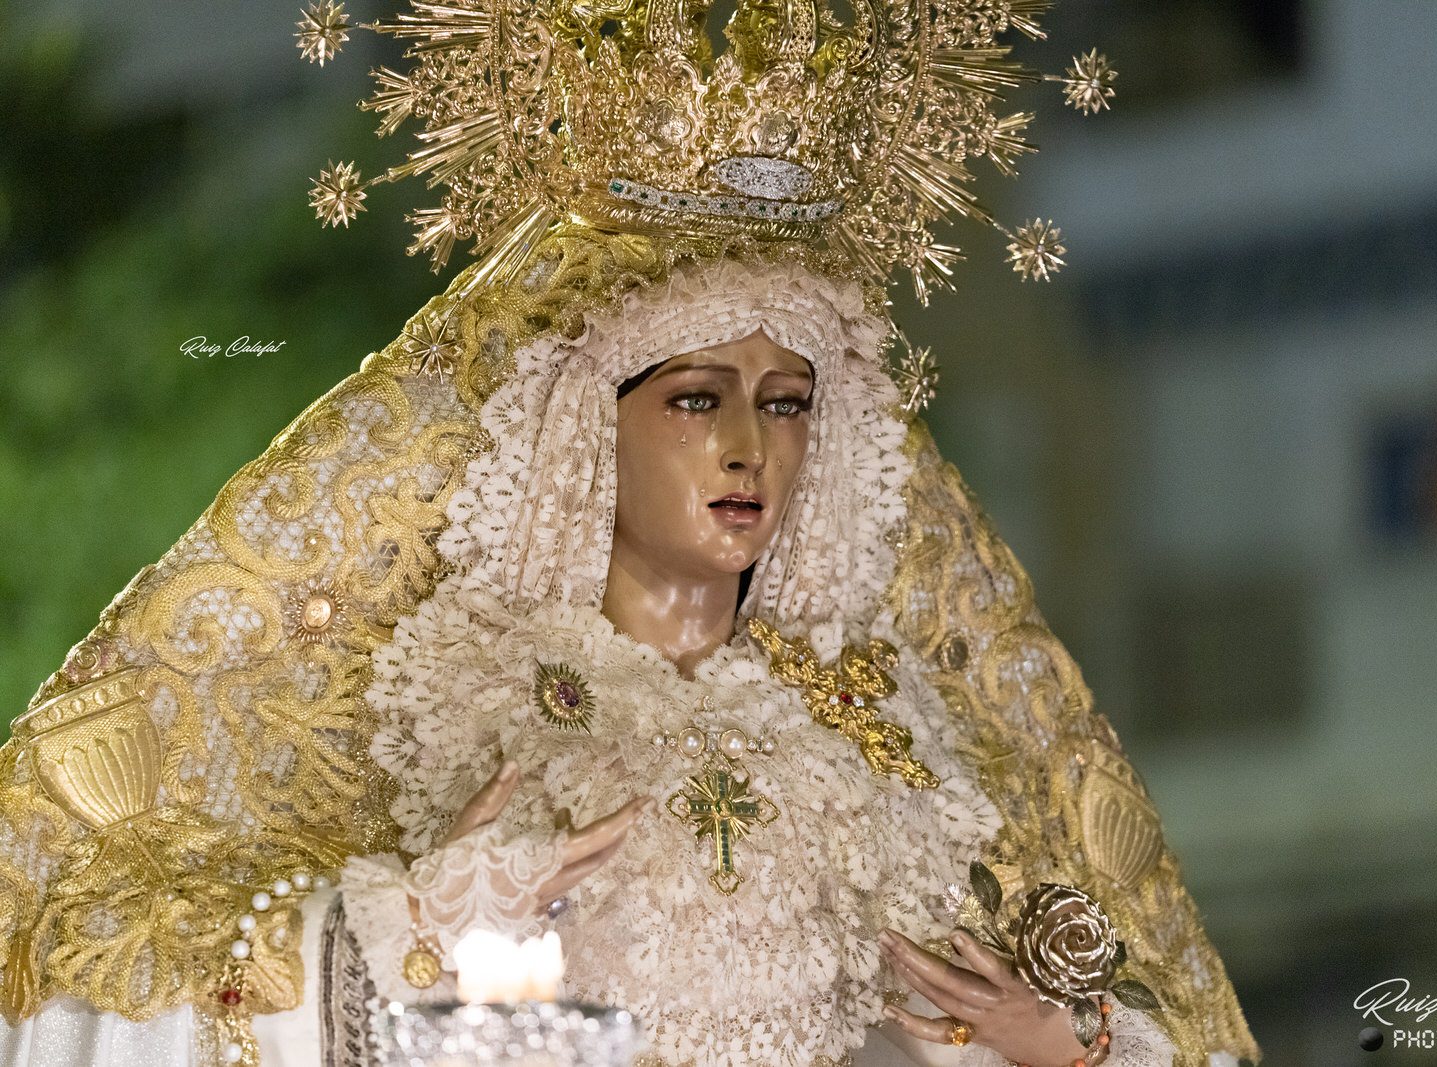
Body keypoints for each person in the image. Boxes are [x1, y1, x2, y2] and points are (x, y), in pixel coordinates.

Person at [0, 1, 1263, 1065]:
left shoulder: (870, 736)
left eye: (785, 405)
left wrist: (1067, 1047)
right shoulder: (454, 700)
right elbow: (82, 963)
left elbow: (965, 1021)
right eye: (694, 399)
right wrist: (397, 948)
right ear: (584, 428)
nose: (745, 450)